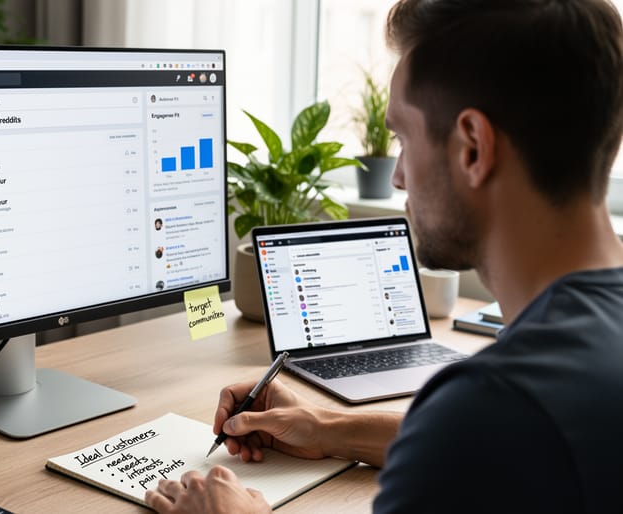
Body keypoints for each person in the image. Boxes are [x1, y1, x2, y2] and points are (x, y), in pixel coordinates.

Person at [145, 1, 623, 513]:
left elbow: (482, 438)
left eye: (402, 138)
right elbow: (500, 449)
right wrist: (329, 427)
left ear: (472, 149)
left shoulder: (492, 411)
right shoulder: (549, 389)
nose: (396, 177)